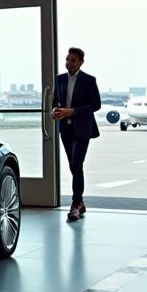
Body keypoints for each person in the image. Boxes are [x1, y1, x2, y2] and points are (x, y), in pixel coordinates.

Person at [52, 48, 101, 223]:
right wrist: (55, 111)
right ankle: (80, 202)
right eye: (67, 59)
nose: (68, 63)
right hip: (65, 129)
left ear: (81, 62)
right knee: (73, 167)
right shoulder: (59, 79)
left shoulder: (89, 80)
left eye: (72, 60)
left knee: (76, 164)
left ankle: (74, 205)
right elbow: (55, 102)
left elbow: (95, 105)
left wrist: (71, 112)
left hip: (82, 129)